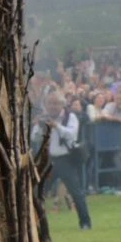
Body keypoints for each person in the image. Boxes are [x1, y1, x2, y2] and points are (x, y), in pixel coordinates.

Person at [31, 93, 90, 230]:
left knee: (76, 192)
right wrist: (40, 126)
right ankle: (36, 223)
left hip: (65, 160)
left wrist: (56, 126)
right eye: (50, 103)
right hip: (49, 160)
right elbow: (35, 137)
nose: (52, 106)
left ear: (62, 104)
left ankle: (85, 222)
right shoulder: (44, 118)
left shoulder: (70, 117)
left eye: (56, 103)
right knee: (39, 192)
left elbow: (71, 134)